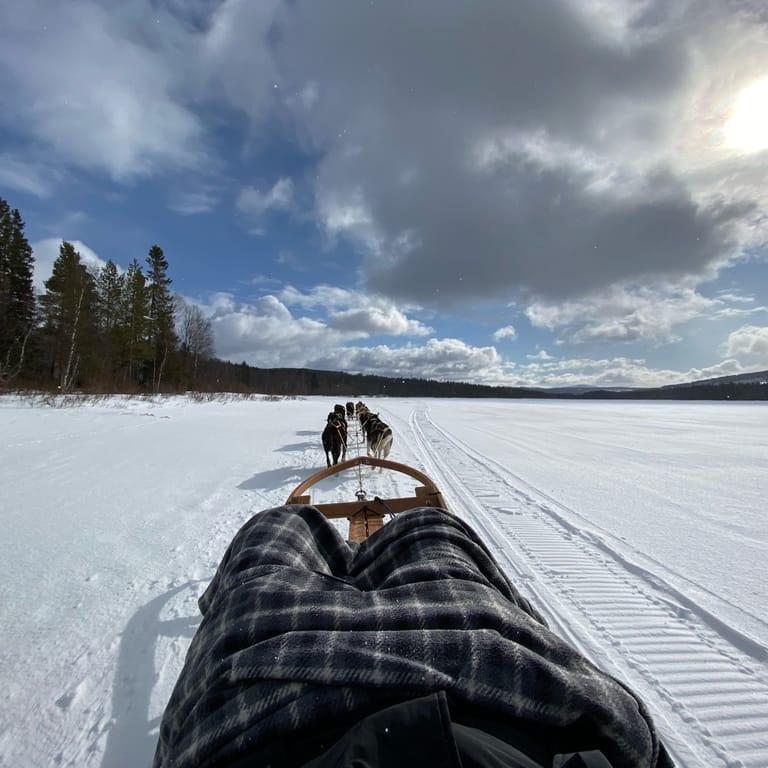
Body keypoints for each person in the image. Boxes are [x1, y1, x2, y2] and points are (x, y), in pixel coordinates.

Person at [153, 505, 673, 768]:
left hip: (262, 703)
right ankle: (419, 528)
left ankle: (298, 532)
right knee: (435, 531)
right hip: (490, 677)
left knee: (274, 532)